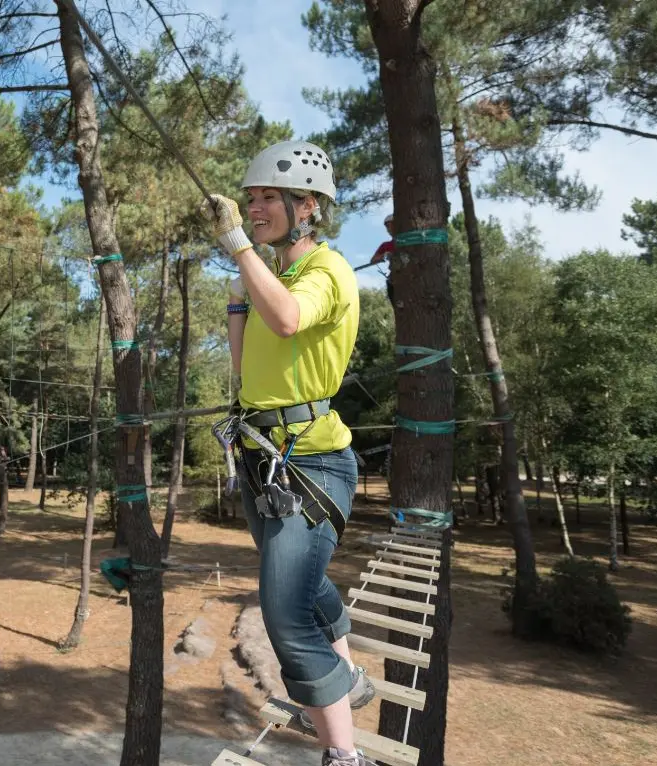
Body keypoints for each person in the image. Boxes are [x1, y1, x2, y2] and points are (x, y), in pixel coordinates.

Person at [202, 140, 376, 766]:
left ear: (308, 207)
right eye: (249, 201)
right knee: (299, 583)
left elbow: (287, 322)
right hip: (263, 455)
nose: (253, 209)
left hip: (312, 462)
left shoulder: (329, 271)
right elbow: (248, 363)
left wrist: (241, 252)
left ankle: (343, 756)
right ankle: (348, 678)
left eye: (267, 198)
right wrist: (237, 298)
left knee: (284, 613)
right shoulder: (274, 275)